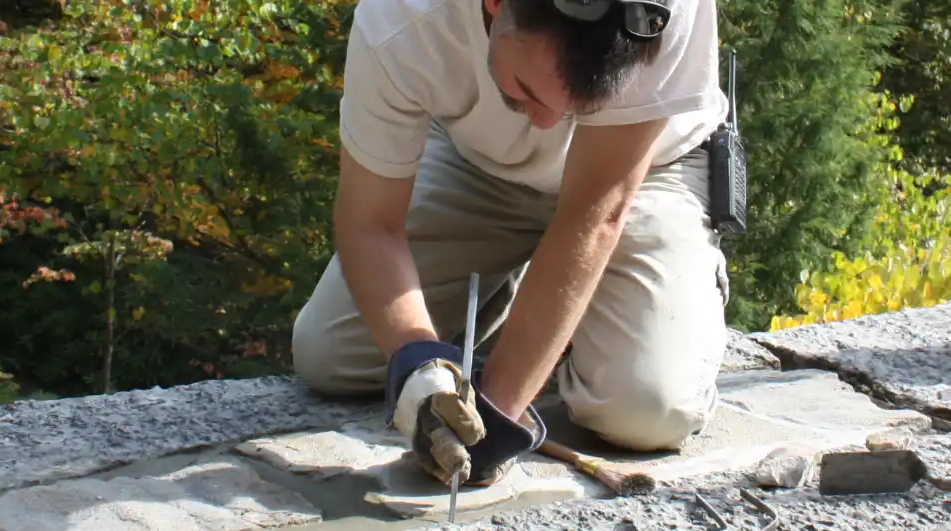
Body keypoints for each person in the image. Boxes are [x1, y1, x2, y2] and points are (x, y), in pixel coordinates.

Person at [291, 0, 731, 488]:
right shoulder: (401, 17)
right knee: (332, 356)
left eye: (578, 106)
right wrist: (418, 358)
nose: (549, 124)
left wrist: (494, 418)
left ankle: (578, 329)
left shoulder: (664, 12)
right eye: (526, 90)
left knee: (646, 409)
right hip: (477, 162)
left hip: (642, 175)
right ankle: (522, 312)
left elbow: (595, 216)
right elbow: (370, 222)